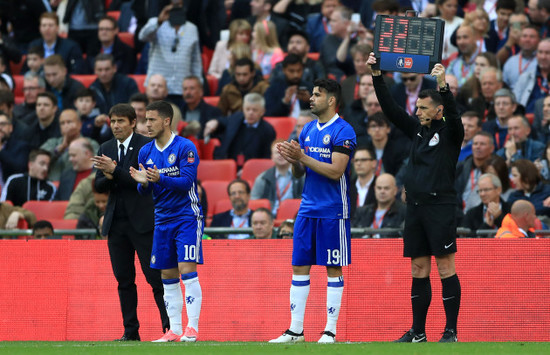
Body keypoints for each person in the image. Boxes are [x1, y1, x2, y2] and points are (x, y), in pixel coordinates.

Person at [368, 52, 463, 342]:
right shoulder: (417, 131)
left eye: (424, 108)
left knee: (445, 266)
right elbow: (392, 110)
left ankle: (450, 331)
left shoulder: (450, 133)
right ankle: (418, 331)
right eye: (418, 107)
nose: (418, 111)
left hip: (441, 206)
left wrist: (443, 85)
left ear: (438, 111)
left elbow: (455, 116)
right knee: (418, 267)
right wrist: (376, 76)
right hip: (417, 208)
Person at [270, 78, 356, 344]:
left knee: (333, 267)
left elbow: (335, 170)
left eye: (317, 95)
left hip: (332, 210)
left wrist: (303, 157)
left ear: (331, 100)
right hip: (307, 209)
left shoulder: (344, 130)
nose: (311, 98)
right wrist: (293, 159)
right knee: (299, 266)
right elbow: (301, 172)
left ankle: (329, 330)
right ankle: (296, 330)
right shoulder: (307, 129)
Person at [92, 103, 169, 340]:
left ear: (133, 123)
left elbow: (142, 182)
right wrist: (117, 175)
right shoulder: (105, 147)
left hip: (144, 222)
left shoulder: (146, 146)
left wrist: (114, 172)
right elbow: (98, 185)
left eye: (120, 121)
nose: (115, 126)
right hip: (116, 223)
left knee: (155, 278)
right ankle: (130, 332)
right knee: (124, 279)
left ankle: (170, 328)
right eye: (112, 122)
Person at [130, 100, 204, 342]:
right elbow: (145, 190)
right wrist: (143, 182)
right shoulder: (145, 152)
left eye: (151, 120)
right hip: (162, 219)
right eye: (145, 120)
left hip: (186, 216)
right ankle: (174, 329)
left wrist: (157, 177)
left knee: (187, 270)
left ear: (166, 121)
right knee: (167, 275)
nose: (147, 124)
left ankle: (192, 328)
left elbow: (186, 183)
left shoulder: (185, 147)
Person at [138, 1, 202, 104]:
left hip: (182, 88)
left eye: (179, 5)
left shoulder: (192, 28)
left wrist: (198, 83)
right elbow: (142, 37)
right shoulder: (156, 23)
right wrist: (159, 21)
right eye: (173, 5)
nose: (176, 8)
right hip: (158, 87)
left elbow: (195, 61)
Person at [205, 93, 276, 167]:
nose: (250, 113)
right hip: (228, 164)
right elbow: (223, 121)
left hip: (252, 169)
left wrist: (248, 170)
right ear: (243, 109)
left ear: (262, 112)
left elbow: (266, 158)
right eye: (247, 109)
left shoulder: (268, 131)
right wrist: (215, 121)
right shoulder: (236, 118)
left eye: (254, 110)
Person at [40, 109, 99, 181]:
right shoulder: (52, 142)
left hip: (79, 185)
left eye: (69, 122)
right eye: (62, 123)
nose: (66, 126)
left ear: (79, 125)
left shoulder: (90, 143)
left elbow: (96, 165)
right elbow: (39, 160)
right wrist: (59, 150)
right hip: (52, 185)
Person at [251, 139, 305, 216]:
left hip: (296, 215)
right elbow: (254, 202)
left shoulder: (302, 176)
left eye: (283, 151)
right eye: (277, 152)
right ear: (271, 157)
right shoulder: (263, 178)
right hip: (270, 216)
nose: (281, 155)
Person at [352, 173, 406, 238]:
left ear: (395, 190)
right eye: (379, 188)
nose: (382, 191)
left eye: (386, 188)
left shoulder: (404, 212)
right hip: (362, 247)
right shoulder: (361, 211)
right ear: (375, 189)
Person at [455, 132, 495, 213]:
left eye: (482, 144)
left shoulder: (496, 168)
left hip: (485, 214)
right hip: (458, 214)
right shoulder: (460, 167)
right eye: (475, 144)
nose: (478, 147)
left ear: (492, 148)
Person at [264, 53, 313, 118]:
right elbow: (268, 114)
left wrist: (310, 101)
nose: (296, 75)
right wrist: (284, 101)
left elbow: (324, 113)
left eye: (299, 71)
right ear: (284, 70)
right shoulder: (274, 88)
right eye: (291, 71)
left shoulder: (310, 87)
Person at [502, 25, 540, 90]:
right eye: (524, 36)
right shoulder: (510, 62)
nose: (527, 39)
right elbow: (504, 84)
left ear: (539, 40)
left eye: (532, 37)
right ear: (519, 40)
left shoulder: (543, 60)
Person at [0, 111, 30, 184]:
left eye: (3, 124)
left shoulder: (21, 146)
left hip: (10, 190)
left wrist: (1, 150)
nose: (0, 128)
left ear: (10, 128)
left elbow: (19, 168)